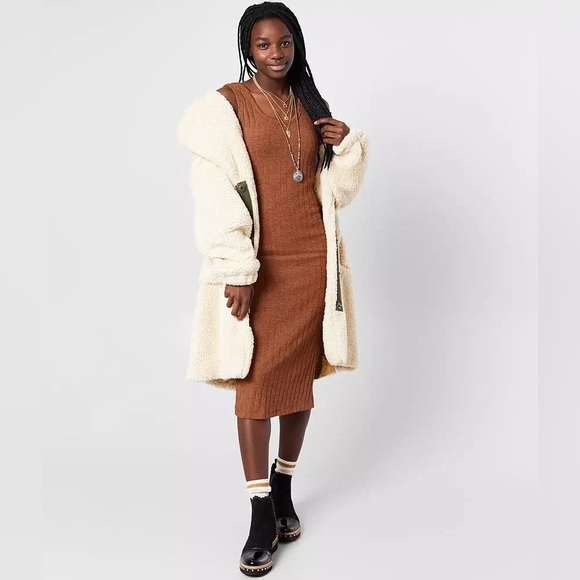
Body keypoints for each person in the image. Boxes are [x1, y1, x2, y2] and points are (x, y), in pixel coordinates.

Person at [177, 2, 369, 576]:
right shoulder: (226, 108)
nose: (276, 53)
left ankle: (283, 487)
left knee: (297, 380)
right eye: (263, 45)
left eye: (284, 42)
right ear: (248, 49)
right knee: (257, 384)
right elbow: (215, 192)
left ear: (295, 45)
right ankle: (261, 510)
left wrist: (344, 147)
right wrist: (236, 267)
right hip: (261, 268)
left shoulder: (310, 105)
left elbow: (334, 194)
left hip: (313, 262)